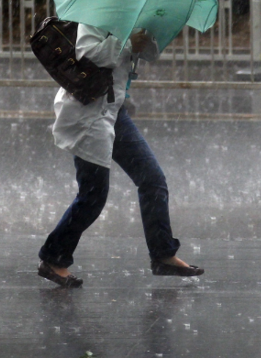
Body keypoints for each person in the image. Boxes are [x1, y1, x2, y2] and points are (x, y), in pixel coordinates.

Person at [37, 23, 204, 288]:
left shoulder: (133, 13)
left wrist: (144, 37)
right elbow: (86, 53)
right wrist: (127, 44)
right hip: (89, 111)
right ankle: (53, 258)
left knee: (152, 180)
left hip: (115, 112)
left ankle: (163, 254)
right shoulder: (95, 13)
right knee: (93, 195)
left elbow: (149, 54)